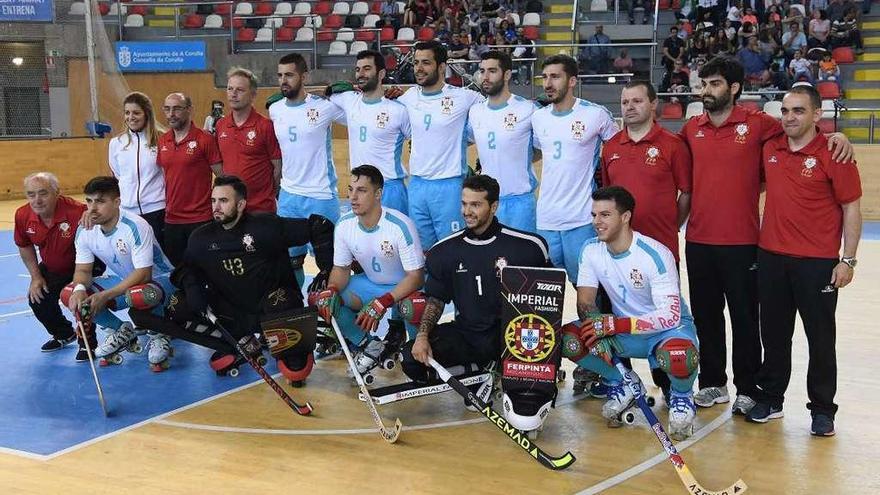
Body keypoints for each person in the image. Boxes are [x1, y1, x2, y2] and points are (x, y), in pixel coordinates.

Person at [680, 56, 853, 415]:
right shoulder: (690, 129)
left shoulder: (761, 126)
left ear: (735, 88)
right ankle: (713, 382)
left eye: (714, 84)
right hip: (698, 239)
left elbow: (803, 129)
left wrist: (839, 135)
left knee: (746, 319)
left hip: (745, 243)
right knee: (706, 316)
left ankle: (748, 386)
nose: (706, 91)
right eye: (704, 84)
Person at [130, 175, 334, 381]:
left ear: (241, 204)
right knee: (178, 303)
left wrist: (326, 270)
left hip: (272, 307)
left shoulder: (266, 226)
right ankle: (237, 343)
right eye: (213, 201)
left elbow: (319, 225)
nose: (216, 207)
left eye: (224, 201)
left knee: (297, 371)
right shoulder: (201, 237)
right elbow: (185, 269)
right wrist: (193, 289)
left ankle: (286, 345)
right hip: (232, 312)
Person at [746, 85, 862, 437]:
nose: (790, 117)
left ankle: (823, 409)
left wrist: (849, 260)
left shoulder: (834, 152)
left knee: (821, 340)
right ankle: (771, 398)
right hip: (772, 258)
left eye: (798, 111)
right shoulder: (771, 148)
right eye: (785, 111)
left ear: (817, 115)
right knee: (775, 335)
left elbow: (851, 207)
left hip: (818, 263)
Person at [562, 186, 699, 440]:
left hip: (667, 332)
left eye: (605, 215)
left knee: (678, 355)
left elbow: (670, 315)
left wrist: (616, 326)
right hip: (625, 333)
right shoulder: (590, 250)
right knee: (571, 339)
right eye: (593, 215)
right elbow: (585, 302)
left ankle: (682, 398)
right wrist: (596, 327)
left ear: (625, 217)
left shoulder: (655, 254)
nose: (596, 222)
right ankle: (622, 384)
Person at [405, 175, 550, 414]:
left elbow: (547, 301)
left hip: (511, 340)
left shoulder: (528, 247)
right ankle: (482, 372)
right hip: (468, 335)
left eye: (476, 205)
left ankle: (502, 371)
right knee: (412, 360)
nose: (467, 211)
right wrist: (422, 336)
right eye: (464, 204)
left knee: (526, 413)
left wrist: (539, 354)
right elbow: (436, 299)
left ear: (493, 206)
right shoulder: (445, 250)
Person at [601, 81, 693, 400]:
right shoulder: (611, 147)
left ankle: (669, 382)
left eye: (637, 101)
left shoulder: (672, 144)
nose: (629, 107)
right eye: (625, 101)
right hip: (617, 256)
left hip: (661, 250)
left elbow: (686, 193)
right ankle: (624, 383)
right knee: (619, 313)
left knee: (664, 317)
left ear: (653, 105)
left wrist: (671, 225)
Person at [315, 165, 424, 376]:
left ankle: (417, 353)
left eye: (361, 190)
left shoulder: (400, 225)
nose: (353, 197)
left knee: (414, 308)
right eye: (350, 190)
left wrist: (383, 301)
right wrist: (332, 289)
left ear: (378, 194)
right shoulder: (344, 225)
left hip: (404, 289)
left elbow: (416, 277)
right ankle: (370, 346)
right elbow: (341, 268)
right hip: (371, 284)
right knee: (328, 301)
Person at [61, 177, 175, 371]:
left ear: (117, 202)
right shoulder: (85, 229)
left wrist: (105, 295)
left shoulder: (135, 225)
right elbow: (83, 270)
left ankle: (159, 334)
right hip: (126, 281)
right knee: (70, 293)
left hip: (161, 281)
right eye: (89, 201)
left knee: (139, 294)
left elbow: (143, 274)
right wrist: (80, 289)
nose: (92, 208)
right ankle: (121, 330)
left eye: (100, 201)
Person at [532, 54, 619, 284]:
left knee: (587, 289)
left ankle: (593, 322)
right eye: (545, 77)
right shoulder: (538, 118)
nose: (548, 83)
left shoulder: (595, 114)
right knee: (546, 292)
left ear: (572, 81)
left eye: (555, 77)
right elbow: (537, 153)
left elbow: (620, 148)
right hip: (545, 220)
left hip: (580, 220)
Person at [396, 40, 484, 250]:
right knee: (422, 252)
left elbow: (492, 114)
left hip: (449, 186)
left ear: (441, 67)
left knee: (453, 250)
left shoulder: (465, 97)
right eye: (416, 62)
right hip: (416, 185)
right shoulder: (407, 97)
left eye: (425, 62)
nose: (419, 68)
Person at [268, 53, 344, 287]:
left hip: (321, 196)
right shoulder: (275, 109)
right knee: (290, 263)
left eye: (289, 75)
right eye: (280, 75)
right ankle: (295, 317)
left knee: (330, 266)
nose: (284, 80)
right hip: (289, 197)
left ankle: (330, 319)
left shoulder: (325, 107)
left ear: (304, 76)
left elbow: (361, 113)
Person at [15, 173, 94, 359]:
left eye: (43, 193)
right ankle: (64, 333)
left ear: (57, 192)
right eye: (31, 194)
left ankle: (87, 344)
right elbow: (25, 245)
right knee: (38, 299)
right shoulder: (22, 215)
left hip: (84, 266)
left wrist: (91, 212)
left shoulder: (77, 212)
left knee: (80, 302)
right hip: (53, 267)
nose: (37, 200)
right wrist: (36, 277)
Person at [327, 51, 412, 214]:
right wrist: (335, 88)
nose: (361, 74)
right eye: (358, 69)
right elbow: (323, 95)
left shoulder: (398, 109)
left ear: (381, 74)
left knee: (393, 239)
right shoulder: (349, 100)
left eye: (367, 69)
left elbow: (419, 138)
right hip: (359, 187)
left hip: (389, 188)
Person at [467, 51, 539, 233]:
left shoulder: (528, 109)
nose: (485, 77)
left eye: (492, 71)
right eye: (482, 71)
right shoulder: (475, 112)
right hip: (488, 203)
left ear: (507, 74)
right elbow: (464, 141)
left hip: (519, 202)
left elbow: (540, 149)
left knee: (521, 259)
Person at [157, 92, 223, 266]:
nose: (171, 114)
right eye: (167, 109)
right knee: (177, 272)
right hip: (171, 220)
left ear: (189, 110)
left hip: (200, 219)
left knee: (206, 270)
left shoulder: (205, 139)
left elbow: (222, 177)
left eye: (177, 108)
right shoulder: (163, 141)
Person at [215, 67, 282, 214]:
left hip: (261, 209)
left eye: (240, 90)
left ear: (252, 95)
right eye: (230, 89)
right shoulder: (221, 125)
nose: (233, 94)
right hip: (232, 212)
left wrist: (267, 195)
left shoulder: (266, 126)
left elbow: (277, 168)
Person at [108, 91, 167, 248]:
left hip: (156, 211)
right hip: (127, 212)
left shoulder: (163, 140)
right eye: (127, 113)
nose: (131, 117)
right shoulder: (116, 143)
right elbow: (118, 175)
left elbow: (168, 174)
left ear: (147, 114)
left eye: (136, 113)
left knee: (159, 261)